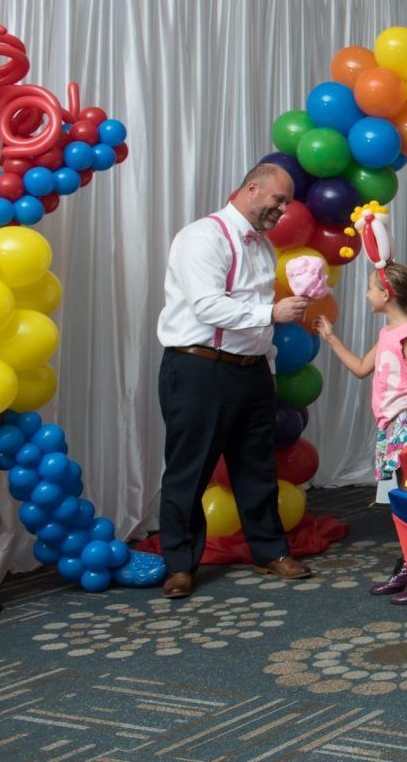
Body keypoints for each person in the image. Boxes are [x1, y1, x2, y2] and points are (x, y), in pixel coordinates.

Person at [154, 162, 314, 600]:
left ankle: (269, 551)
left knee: (257, 468)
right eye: (276, 200)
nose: (281, 210)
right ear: (250, 188)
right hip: (199, 368)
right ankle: (181, 564)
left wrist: (269, 369)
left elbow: (255, 320)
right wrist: (272, 314)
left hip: (251, 370)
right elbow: (208, 306)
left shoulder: (263, 246)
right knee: (190, 470)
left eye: (286, 204)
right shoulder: (201, 237)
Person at [315, 260, 407, 605]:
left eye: (371, 288)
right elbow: (361, 368)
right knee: (404, 502)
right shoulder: (388, 333)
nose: (366, 293)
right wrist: (330, 339)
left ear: (386, 294)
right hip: (391, 423)